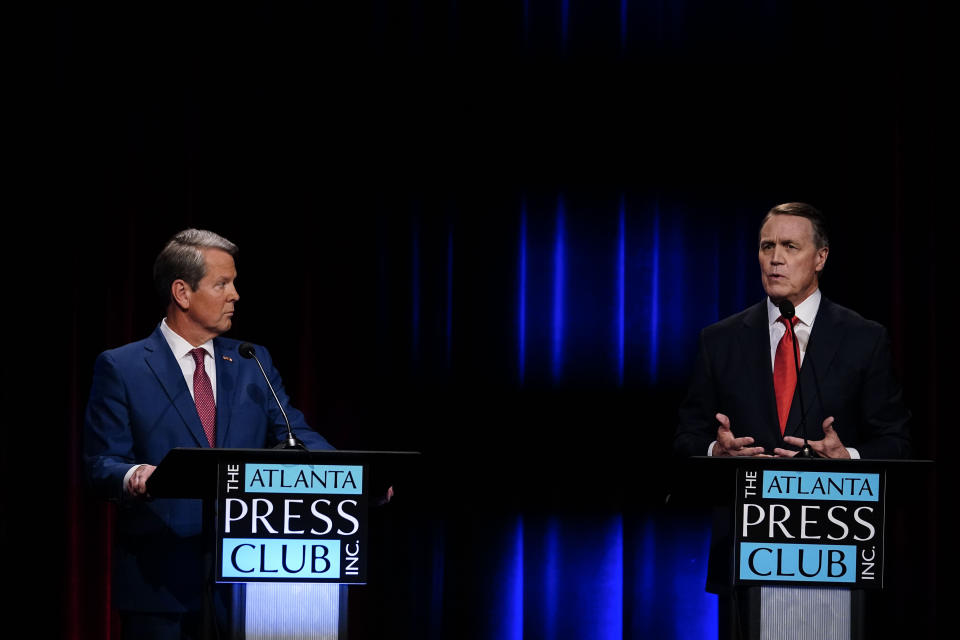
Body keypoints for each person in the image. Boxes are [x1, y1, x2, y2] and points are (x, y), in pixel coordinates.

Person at [84, 229, 333, 638]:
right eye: (222, 284)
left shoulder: (252, 360)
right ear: (182, 292)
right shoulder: (122, 367)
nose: (235, 294)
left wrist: (355, 478)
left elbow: (295, 433)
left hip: (249, 584)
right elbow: (100, 465)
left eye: (233, 283)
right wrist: (135, 476)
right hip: (160, 586)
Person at [675, 202, 910, 461]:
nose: (775, 258)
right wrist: (715, 451)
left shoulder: (865, 339)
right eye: (767, 246)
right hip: (740, 498)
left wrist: (848, 457)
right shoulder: (718, 340)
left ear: (821, 258)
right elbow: (687, 438)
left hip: (826, 498)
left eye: (790, 246)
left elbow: (895, 441)